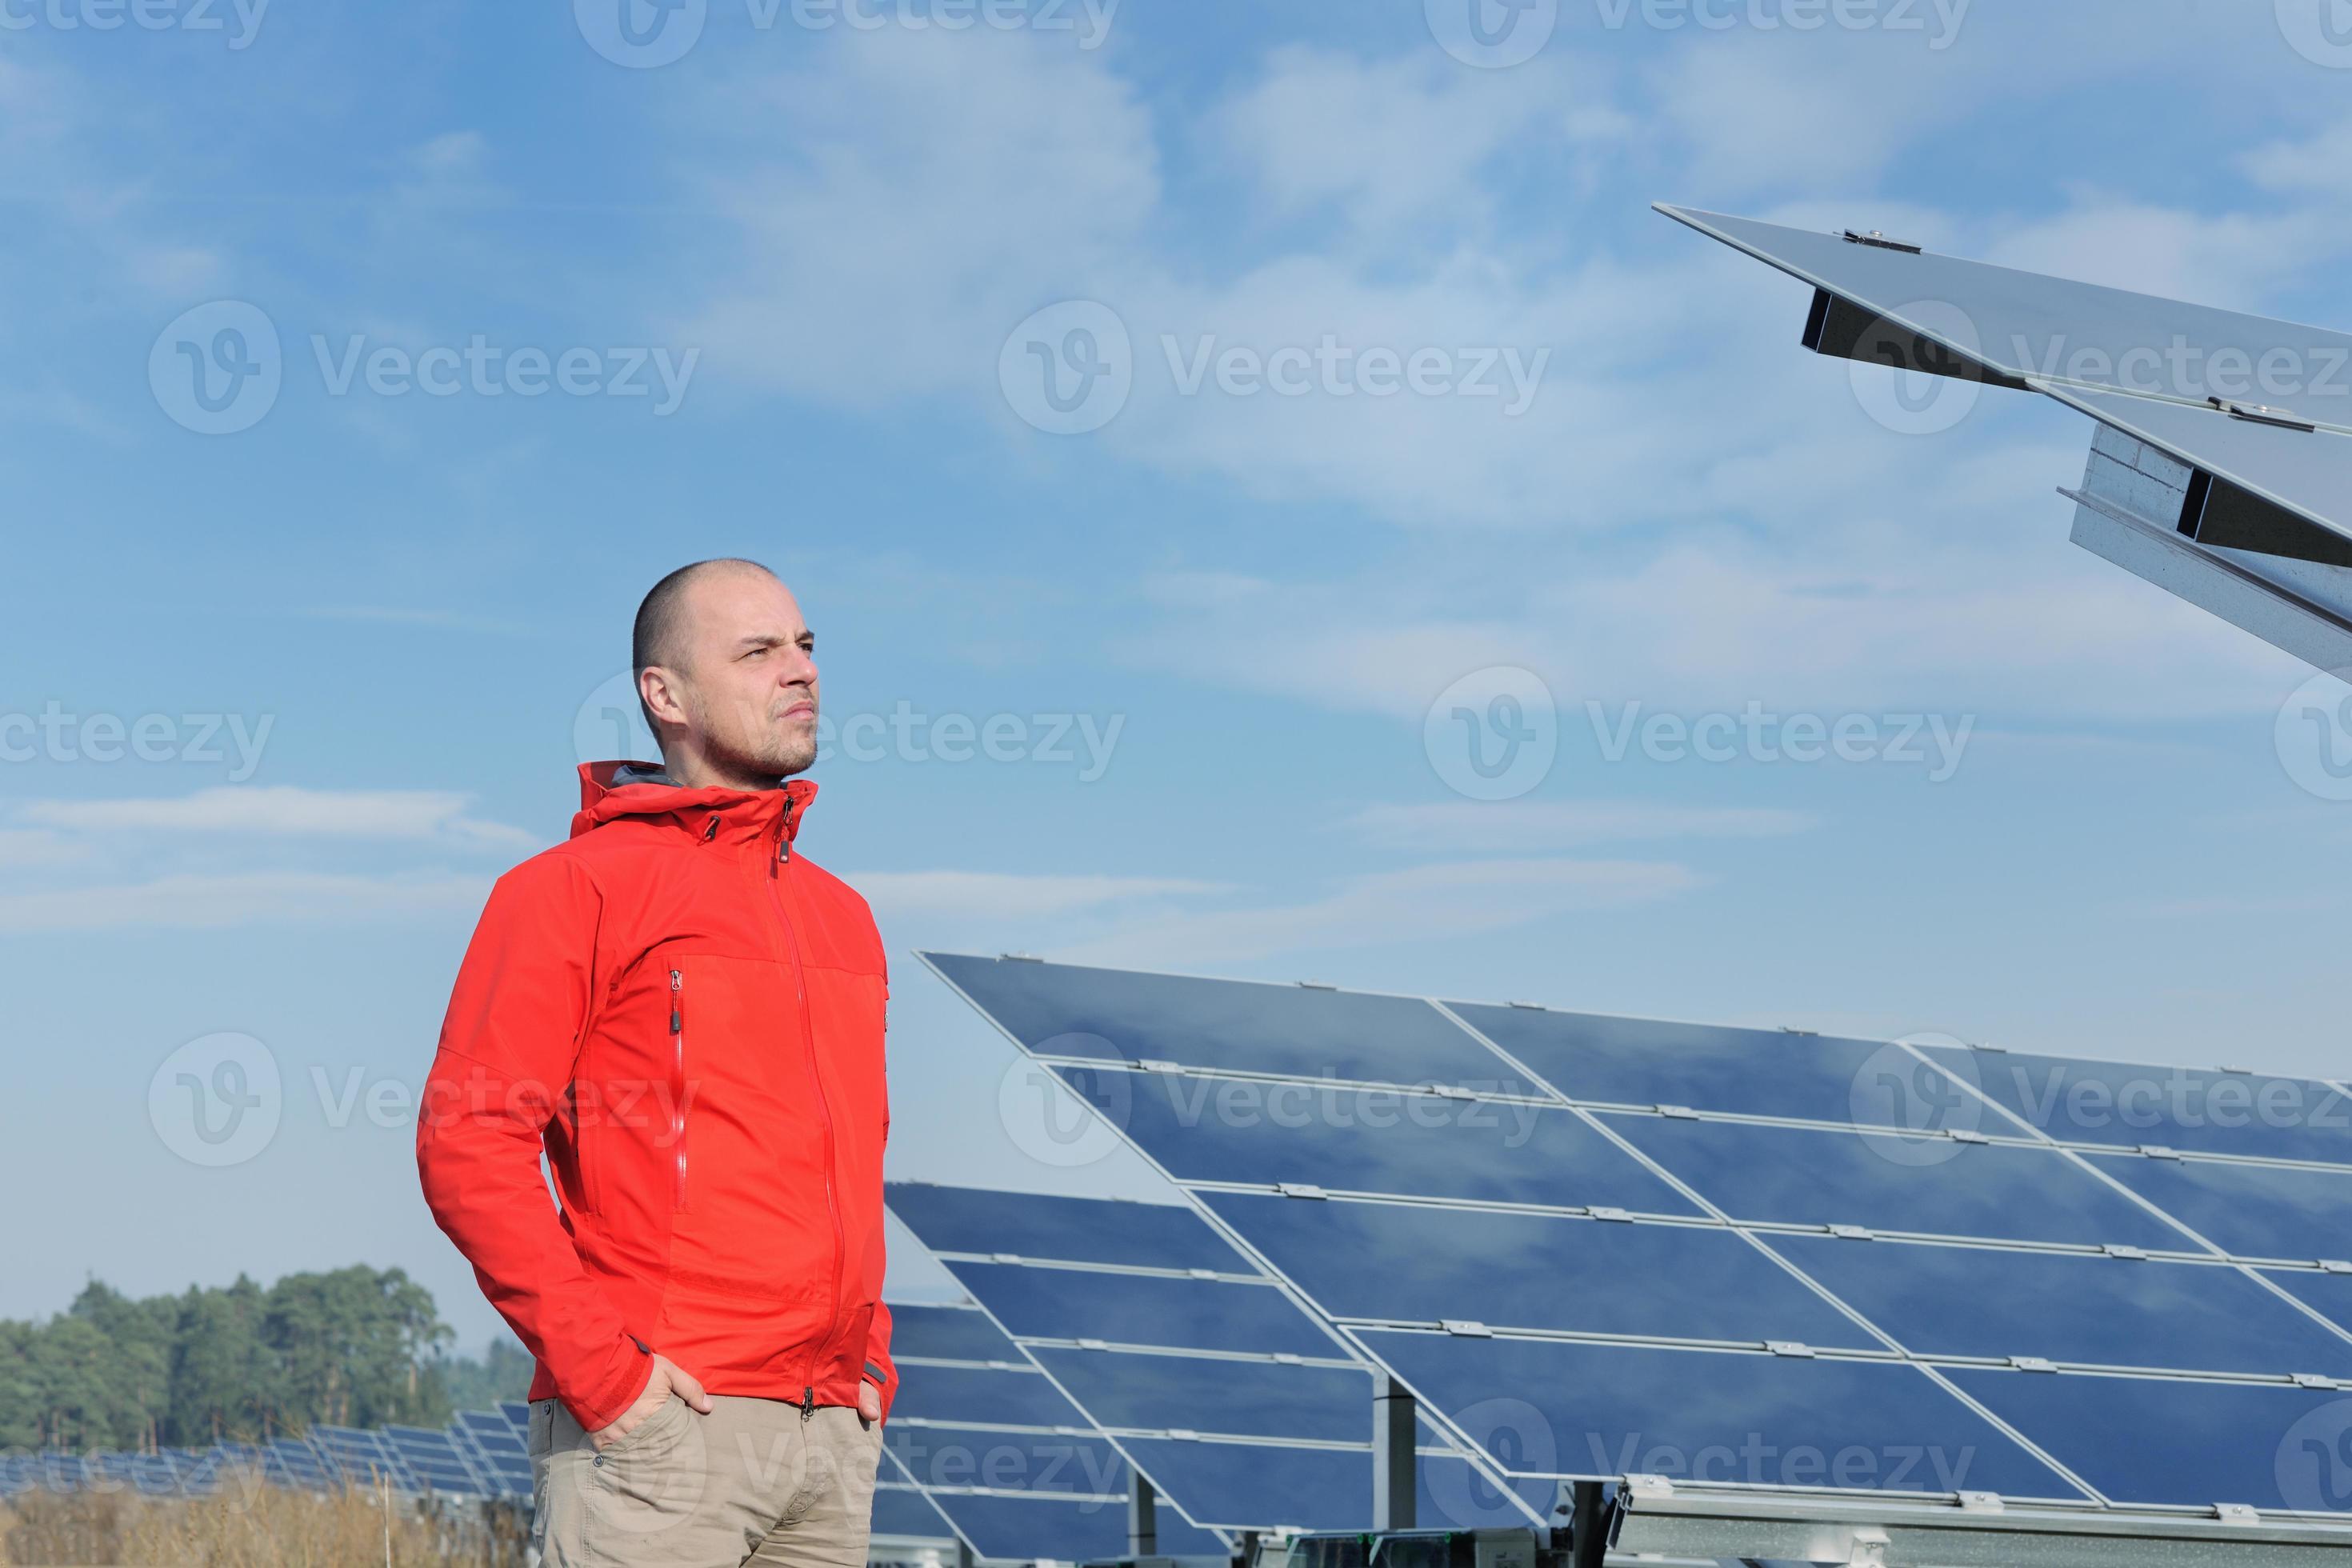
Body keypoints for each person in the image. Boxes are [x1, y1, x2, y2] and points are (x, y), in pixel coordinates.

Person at [418, 559, 894, 1566]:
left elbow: (852, 1166)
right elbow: (470, 1139)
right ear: (663, 695)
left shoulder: (843, 918)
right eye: (759, 650)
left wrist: (871, 1370)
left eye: (806, 647)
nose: (800, 670)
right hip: (661, 1435)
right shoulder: (568, 891)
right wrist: (609, 1379)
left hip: (829, 1442)